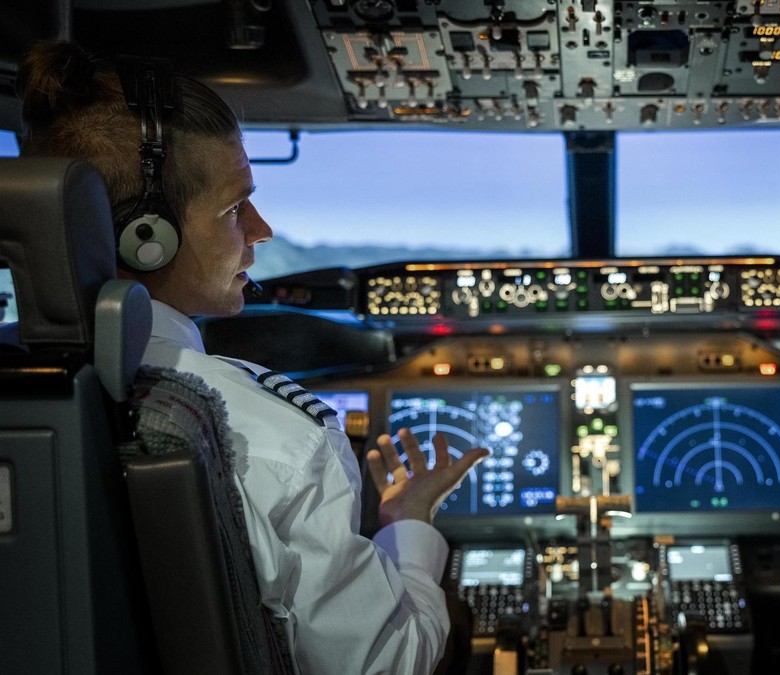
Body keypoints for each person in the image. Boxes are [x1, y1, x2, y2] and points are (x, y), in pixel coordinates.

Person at [17, 40, 488, 675]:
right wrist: (411, 526)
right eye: (236, 207)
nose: (262, 229)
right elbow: (389, 662)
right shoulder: (269, 437)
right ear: (145, 238)